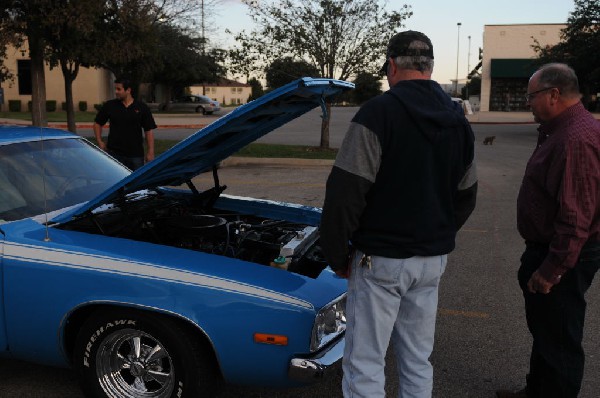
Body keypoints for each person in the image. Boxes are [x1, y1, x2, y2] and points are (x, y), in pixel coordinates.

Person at [319, 30, 477, 398]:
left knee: (365, 361)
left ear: (391, 65)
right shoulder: (457, 120)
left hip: (382, 261)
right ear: (430, 67)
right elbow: (466, 195)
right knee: (418, 358)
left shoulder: (378, 113)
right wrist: (436, 233)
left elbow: (345, 193)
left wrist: (337, 254)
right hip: (430, 260)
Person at [496, 64, 600, 398]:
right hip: (552, 249)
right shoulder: (563, 130)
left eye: (532, 96)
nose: (529, 103)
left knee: (559, 341)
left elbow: (575, 218)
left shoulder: (574, 139)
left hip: (562, 256)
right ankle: (537, 391)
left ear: (554, 94)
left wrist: (551, 270)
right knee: (548, 331)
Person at [94, 77, 157, 171]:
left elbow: (148, 130)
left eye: (119, 89)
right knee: (116, 182)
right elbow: (97, 123)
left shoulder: (142, 107)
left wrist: (150, 151)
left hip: (135, 155)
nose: (116, 92)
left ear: (128, 90)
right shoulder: (110, 106)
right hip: (114, 154)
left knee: (136, 183)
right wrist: (99, 141)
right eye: (115, 89)